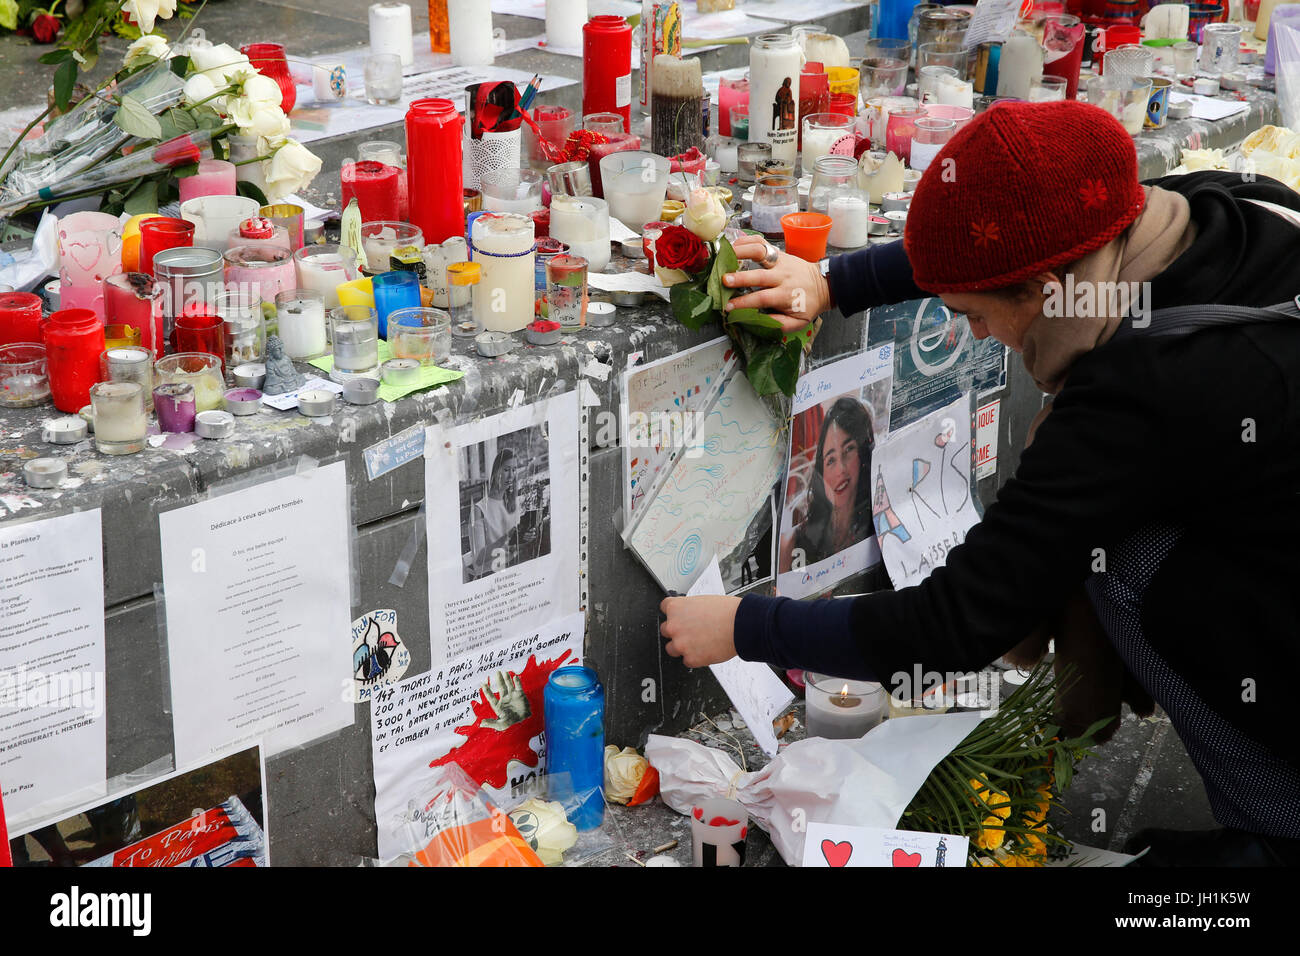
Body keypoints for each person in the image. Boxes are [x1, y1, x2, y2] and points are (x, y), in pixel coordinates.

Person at [660, 101, 1300, 865]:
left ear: (1041, 289)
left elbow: (959, 623)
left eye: (971, 313)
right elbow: (1000, 241)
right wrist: (834, 282)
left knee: (1124, 557)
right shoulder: (1195, 213)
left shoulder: (1146, 388)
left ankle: (1274, 829)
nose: (973, 334)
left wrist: (744, 626)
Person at [780, 397, 875, 572]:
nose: (840, 469)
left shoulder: (879, 529)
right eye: (830, 460)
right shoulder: (795, 543)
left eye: (849, 450)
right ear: (821, 471)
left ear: (864, 454)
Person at [466, 448, 520, 580]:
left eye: (514, 470)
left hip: (515, 566)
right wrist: (505, 538)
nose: (511, 476)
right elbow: (479, 558)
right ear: (496, 472)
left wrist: (525, 536)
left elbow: (516, 545)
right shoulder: (478, 510)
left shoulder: (515, 503)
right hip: (490, 576)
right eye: (506, 470)